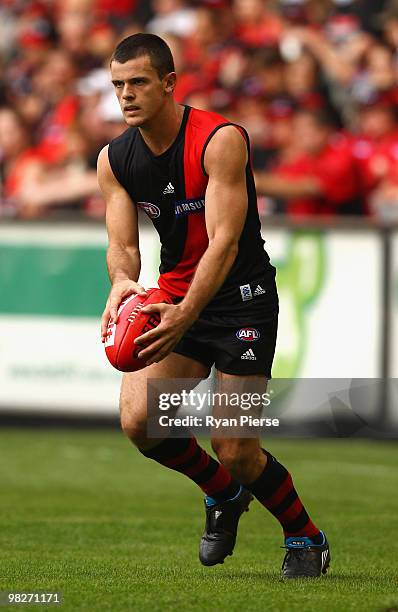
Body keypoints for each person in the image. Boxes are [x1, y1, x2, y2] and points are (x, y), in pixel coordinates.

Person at [97, 32, 330, 579]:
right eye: (117, 86)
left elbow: (224, 243)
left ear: (169, 83)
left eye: (138, 83)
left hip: (241, 301)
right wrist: (122, 283)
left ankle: (305, 537)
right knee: (141, 424)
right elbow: (123, 246)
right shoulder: (115, 159)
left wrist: (185, 314)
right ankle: (223, 496)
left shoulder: (220, 139)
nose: (126, 95)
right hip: (176, 293)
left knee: (235, 447)